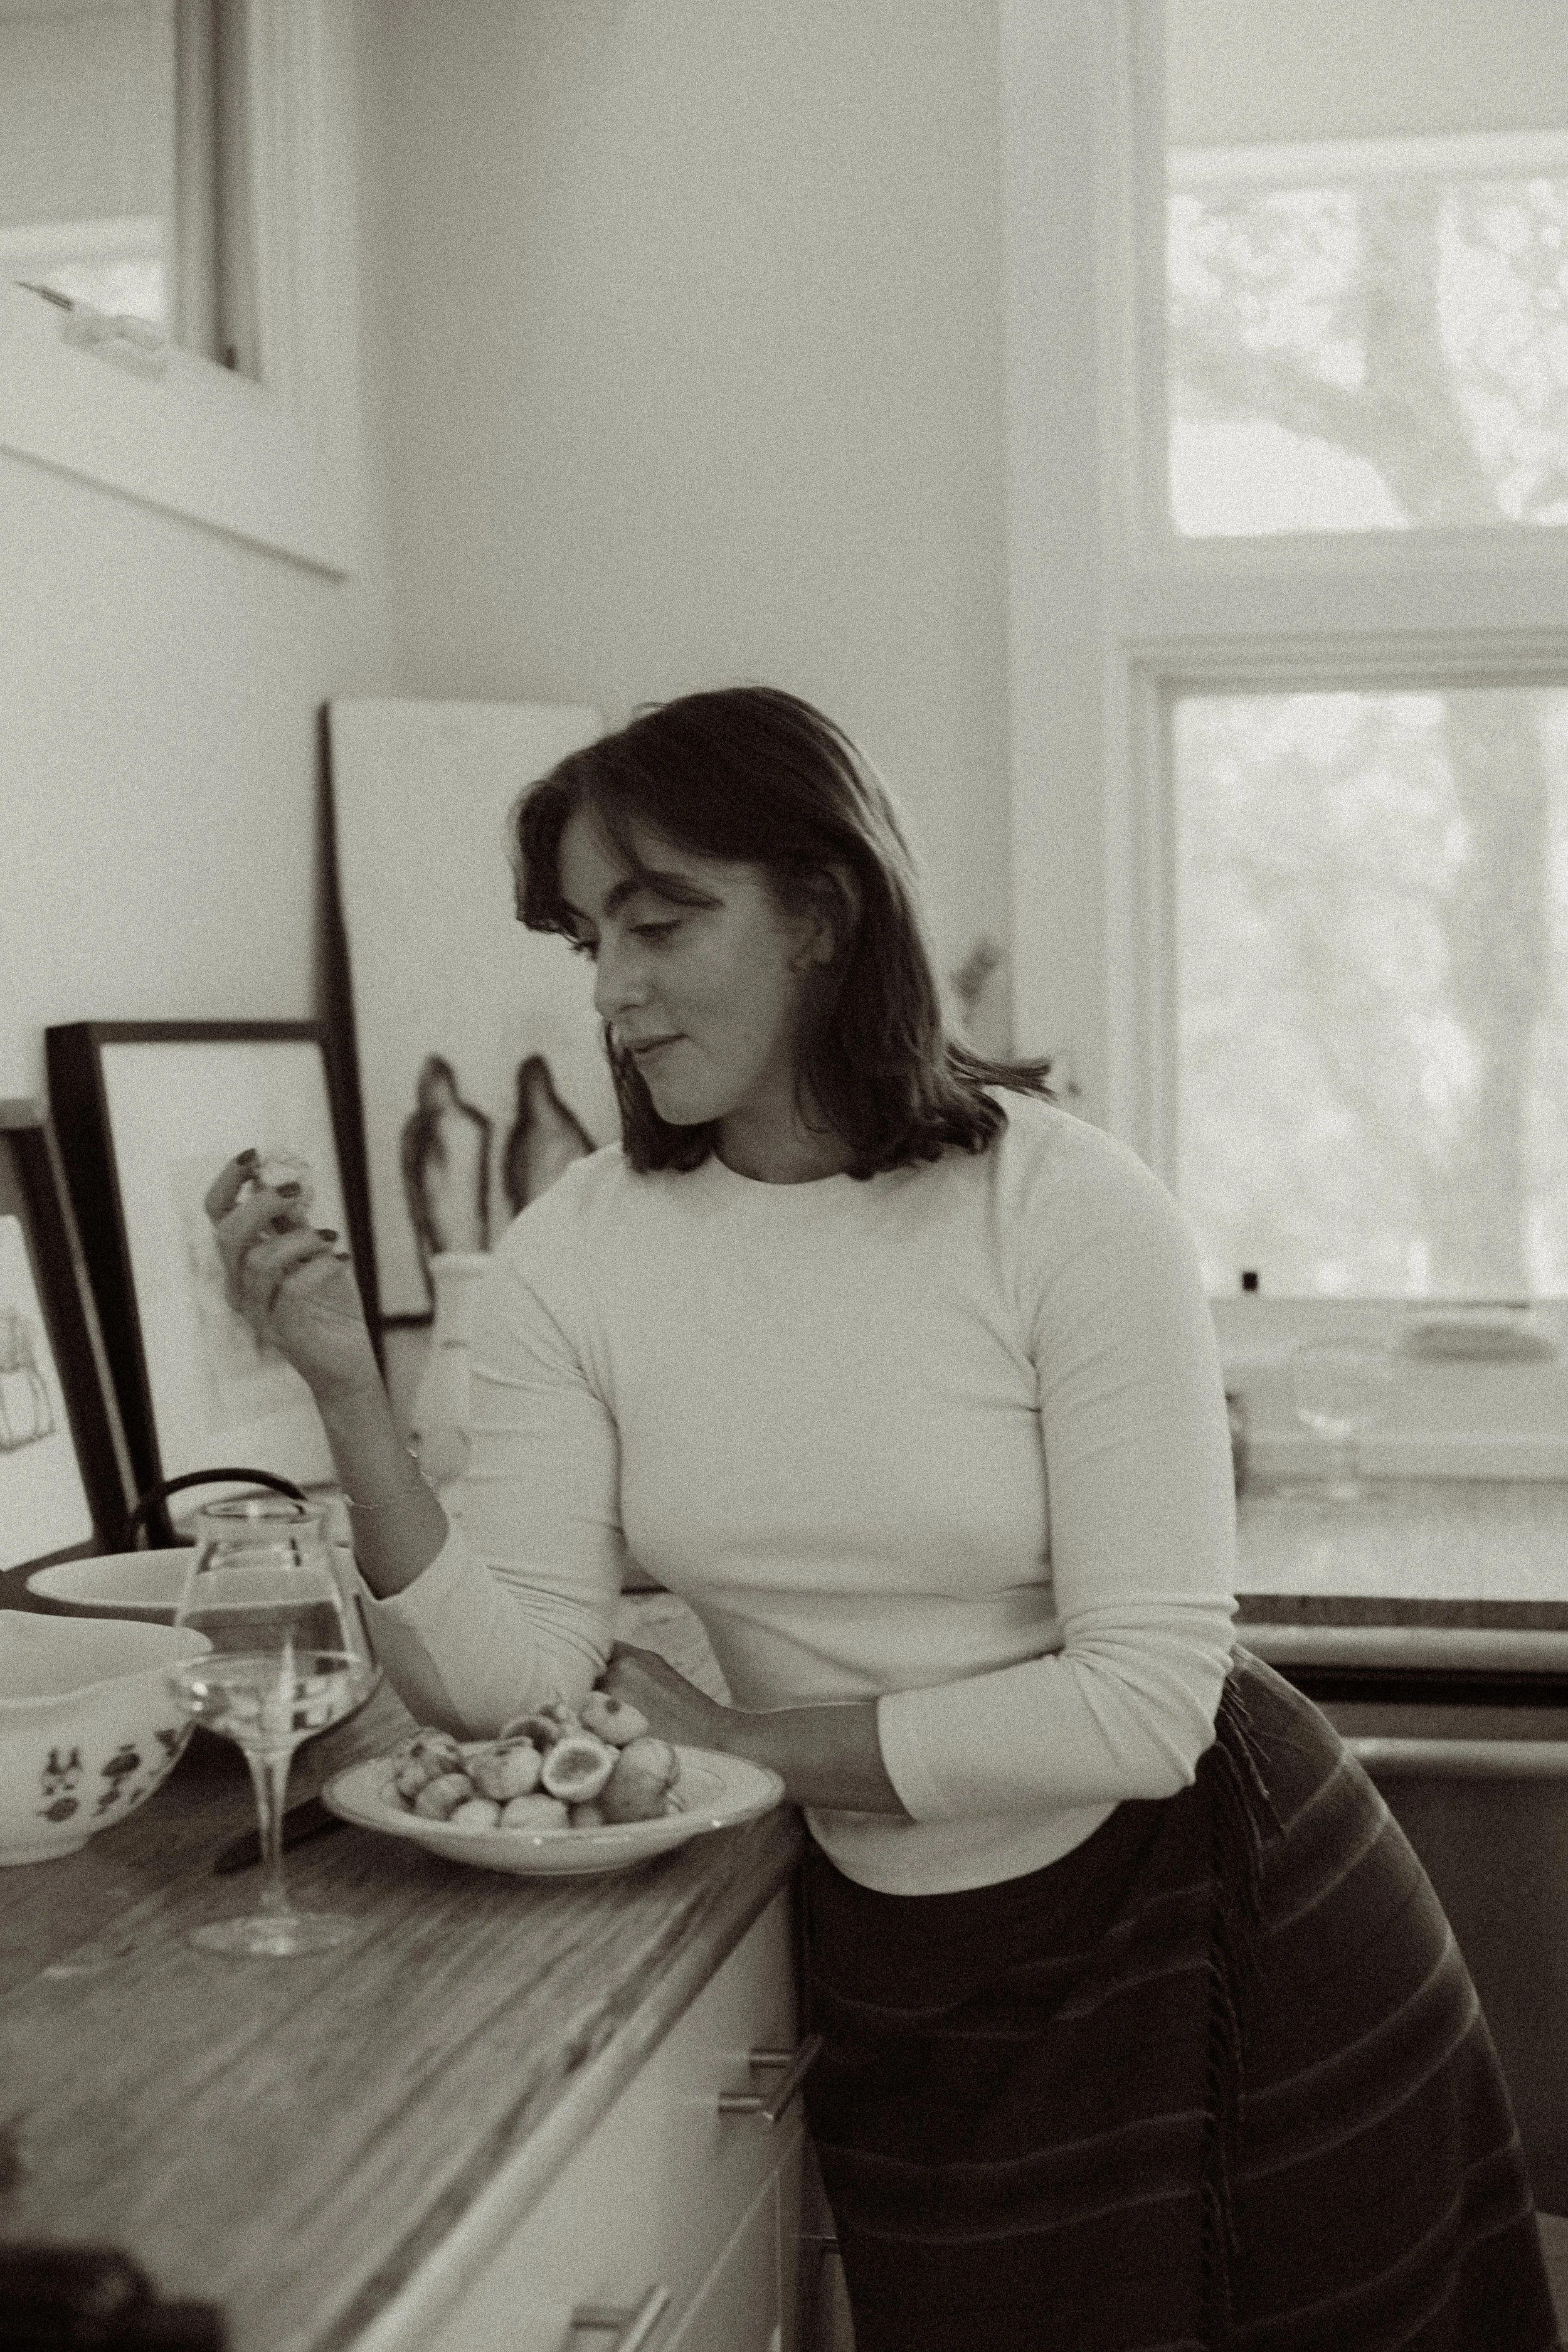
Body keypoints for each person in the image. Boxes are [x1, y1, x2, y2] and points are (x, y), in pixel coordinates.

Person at [206, 686, 1559, 2352]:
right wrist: (346, 1392)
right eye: (585, 937)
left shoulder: (1064, 1206)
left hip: (1220, 1922)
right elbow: (520, 1683)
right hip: (900, 1946)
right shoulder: (576, 1252)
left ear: (824, 911)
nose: (612, 991)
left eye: (661, 919)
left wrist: (747, 1738)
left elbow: (1146, 1702)